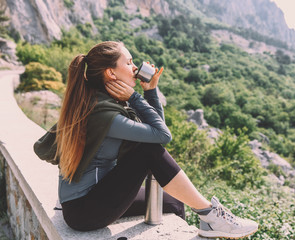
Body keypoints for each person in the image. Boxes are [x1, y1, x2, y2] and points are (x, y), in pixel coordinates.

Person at [34, 41, 258, 239]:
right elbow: (161, 136)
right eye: (129, 62)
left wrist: (151, 92)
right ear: (111, 74)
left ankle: (206, 226)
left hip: (89, 200)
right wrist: (135, 97)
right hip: (85, 210)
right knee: (146, 152)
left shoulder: (98, 101)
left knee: (172, 202)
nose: (135, 68)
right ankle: (213, 215)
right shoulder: (104, 114)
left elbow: (156, 135)